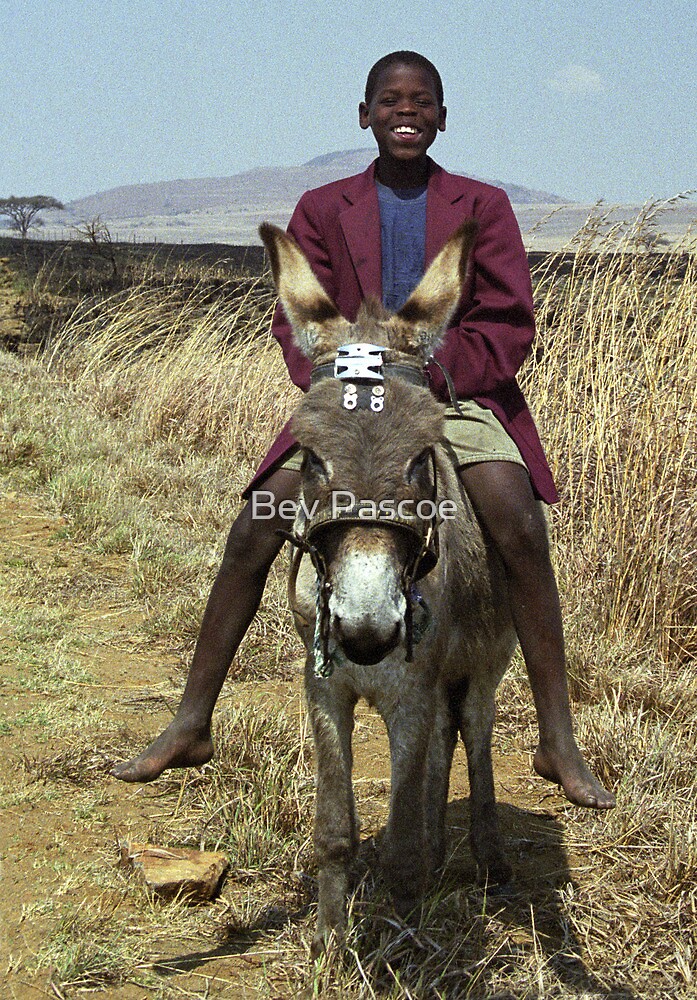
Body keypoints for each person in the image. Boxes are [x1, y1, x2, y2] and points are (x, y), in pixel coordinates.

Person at [112, 51, 615, 809]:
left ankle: (554, 737)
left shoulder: (484, 207)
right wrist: (364, 369)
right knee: (255, 527)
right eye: (388, 100)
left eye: (420, 101)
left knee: (516, 522)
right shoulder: (323, 207)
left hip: (456, 395)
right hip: (351, 399)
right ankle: (192, 719)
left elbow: (508, 325)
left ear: (443, 117)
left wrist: (434, 377)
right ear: (364, 114)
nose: (404, 112)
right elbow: (298, 327)